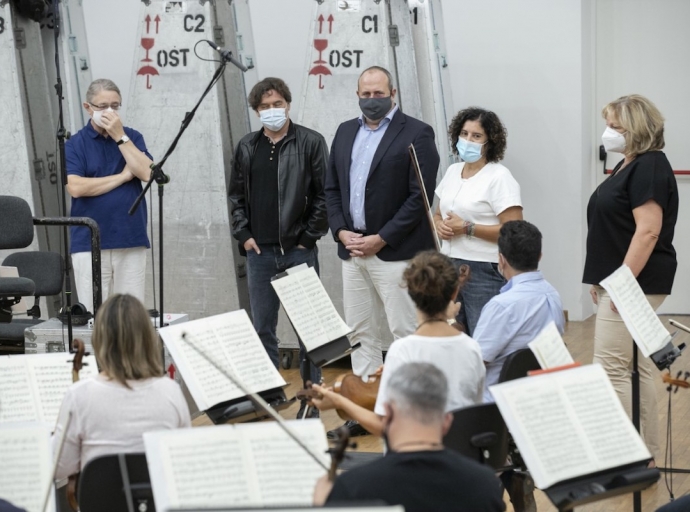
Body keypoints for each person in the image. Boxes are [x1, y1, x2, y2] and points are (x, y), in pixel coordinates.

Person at [325, 66, 440, 434]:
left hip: (395, 252)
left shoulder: (417, 133)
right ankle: (365, 409)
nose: (371, 100)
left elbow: (418, 196)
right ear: (357, 94)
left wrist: (382, 237)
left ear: (394, 93)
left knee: (404, 332)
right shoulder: (345, 131)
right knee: (360, 332)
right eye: (365, 94)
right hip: (352, 251)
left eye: (378, 94)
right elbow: (331, 189)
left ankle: (409, 412)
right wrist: (341, 230)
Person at [583, 94, 678, 464]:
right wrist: (599, 279)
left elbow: (648, 232)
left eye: (617, 127)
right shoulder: (628, 164)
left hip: (636, 282)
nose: (609, 133)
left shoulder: (649, 166)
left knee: (609, 367)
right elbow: (615, 230)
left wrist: (620, 284)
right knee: (635, 369)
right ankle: (645, 454)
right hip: (623, 280)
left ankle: (625, 455)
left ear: (637, 130)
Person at [228, 77, 329, 407]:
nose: (272, 111)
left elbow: (324, 195)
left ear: (287, 104)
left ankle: (312, 395)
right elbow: (235, 197)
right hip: (260, 254)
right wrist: (243, 235)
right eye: (264, 106)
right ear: (256, 110)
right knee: (263, 328)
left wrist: (307, 237)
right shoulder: (247, 146)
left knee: (309, 329)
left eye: (277, 104)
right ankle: (270, 395)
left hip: (298, 251)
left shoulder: (311, 142)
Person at [310, 251, 485, 437]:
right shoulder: (472, 347)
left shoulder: (402, 350)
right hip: (463, 451)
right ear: (455, 292)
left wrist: (340, 402)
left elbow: (385, 427)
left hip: (419, 457)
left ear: (408, 289)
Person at [313, 362, 505, 512]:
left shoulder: (353, 488)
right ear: (447, 421)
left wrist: (323, 504)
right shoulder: (485, 484)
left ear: (387, 413)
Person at [52, 294, 191, 479]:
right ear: (147, 338)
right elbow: (184, 462)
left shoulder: (79, 396)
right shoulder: (171, 391)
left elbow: (58, 468)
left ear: (99, 339)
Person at [66, 79, 153, 314]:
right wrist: (123, 177)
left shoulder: (132, 136)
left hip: (130, 237)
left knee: (131, 315)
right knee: (95, 314)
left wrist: (120, 136)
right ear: (88, 107)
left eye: (115, 106)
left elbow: (146, 172)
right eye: (103, 106)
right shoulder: (75, 143)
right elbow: (76, 187)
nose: (110, 112)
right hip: (89, 241)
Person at [434, 107, 522, 336]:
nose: (468, 140)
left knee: (485, 339)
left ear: (489, 142)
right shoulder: (452, 171)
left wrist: (467, 228)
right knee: (453, 338)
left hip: (484, 269)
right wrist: (439, 225)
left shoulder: (499, 177)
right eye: (464, 134)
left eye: (476, 136)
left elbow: (513, 230)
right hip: (449, 266)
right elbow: (437, 213)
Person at [473, 220, 565, 402]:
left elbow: (474, 364)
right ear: (540, 256)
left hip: (498, 407)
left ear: (501, 259)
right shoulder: (553, 294)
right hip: (541, 398)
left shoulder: (501, 305)